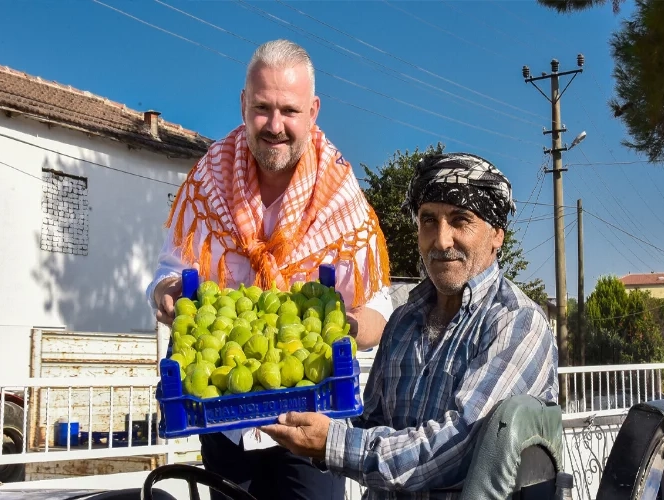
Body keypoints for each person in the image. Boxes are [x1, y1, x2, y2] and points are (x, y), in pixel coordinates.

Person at [145, 39, 393, 500]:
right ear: (242, 104)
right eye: (262, 108)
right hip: (224, 420)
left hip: (312, 423)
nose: (275, 126)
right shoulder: (207, 181)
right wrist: (167, 291)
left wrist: (344, 325)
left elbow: (378, 306)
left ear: (313, 111)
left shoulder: (340, 195)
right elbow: (166, 271)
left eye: (289, 110)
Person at [262, 152, 559, 499]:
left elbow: (458, 445)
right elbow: (367, 422)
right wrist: (293, 413)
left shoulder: (516, 324)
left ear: (496, 236)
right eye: (429, 220)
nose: (442, 240)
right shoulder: (403, 322)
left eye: (460, 220)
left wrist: (333, 444)